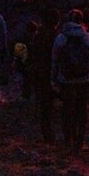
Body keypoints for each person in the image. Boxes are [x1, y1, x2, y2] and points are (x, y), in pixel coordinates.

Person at [51, 9, 89, 151]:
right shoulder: (88, 37)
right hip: (84, 78)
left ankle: (68, 139)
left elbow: (55, 60)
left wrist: (54, 79)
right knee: (81, 110)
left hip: (66, 79)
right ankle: (79, 140)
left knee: (67, 109)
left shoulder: (61, 37)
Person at [31, 8, 60, 143]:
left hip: (41, 74)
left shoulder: (38, 35)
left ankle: (48, 135)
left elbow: (34, 54)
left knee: (45, 106)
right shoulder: (58, 36)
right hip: (57, 74)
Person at [15, 20, 38, 101]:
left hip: (28, 65)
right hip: (28, 65)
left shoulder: (22, 41)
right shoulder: (35, 41)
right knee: (28, 82)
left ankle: (27, 97)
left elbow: (18, 56)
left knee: (27, 82)